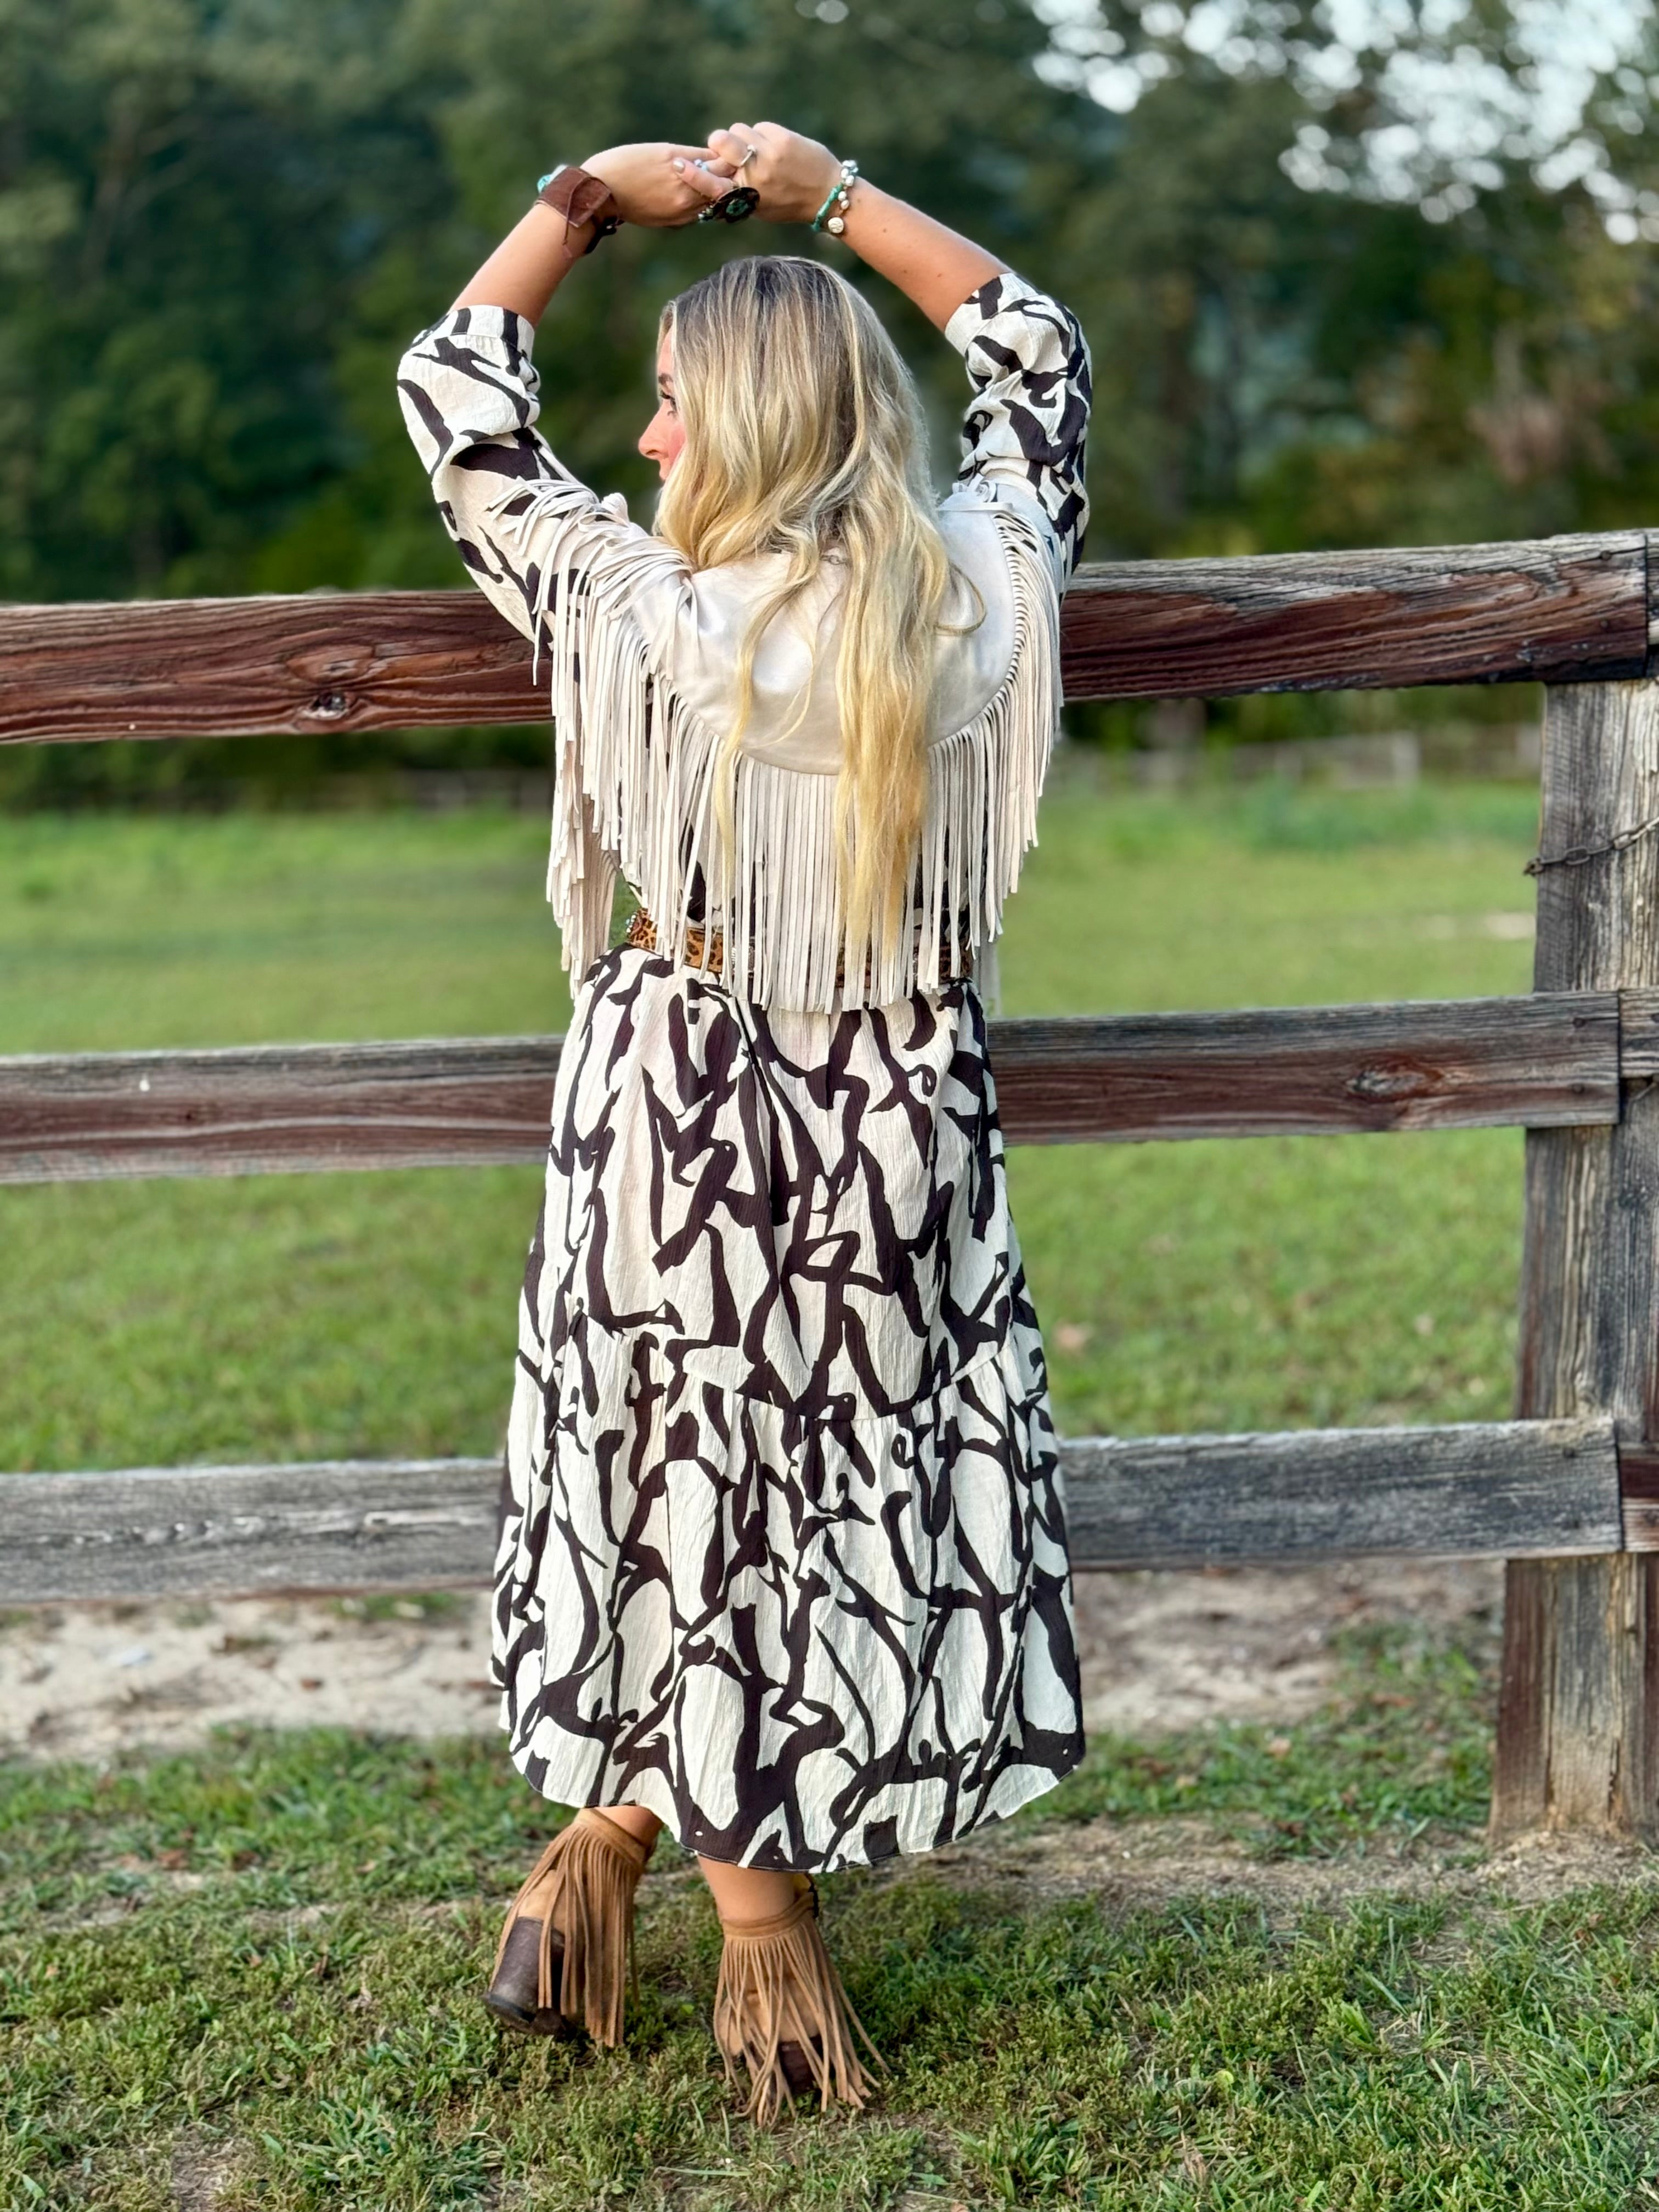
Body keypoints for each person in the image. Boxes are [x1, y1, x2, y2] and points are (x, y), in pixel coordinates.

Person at [397, 120, 1091, 2125]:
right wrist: (831, 193)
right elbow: (1032, 353)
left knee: (661, 1469)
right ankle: (690, 1873)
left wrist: (587, 202)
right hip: (898, 1098)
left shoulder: (637, 615)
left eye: (675, 404)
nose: (644, 441)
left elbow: (460, 391)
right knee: (829, 1486)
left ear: (748, 431)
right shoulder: (978, 599)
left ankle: (681, 1874)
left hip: (675, 1083)